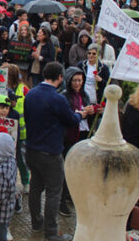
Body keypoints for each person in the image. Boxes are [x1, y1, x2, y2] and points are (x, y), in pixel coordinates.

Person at [24, 62, 85, 241]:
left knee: (36, 186)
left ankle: (36, 222)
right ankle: (51, 232)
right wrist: (82, 114)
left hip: (32, 148)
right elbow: (72, 120)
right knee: (54, 192)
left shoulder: (32, 93)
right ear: (60, 77)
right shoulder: (57, 98)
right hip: (50, 152)